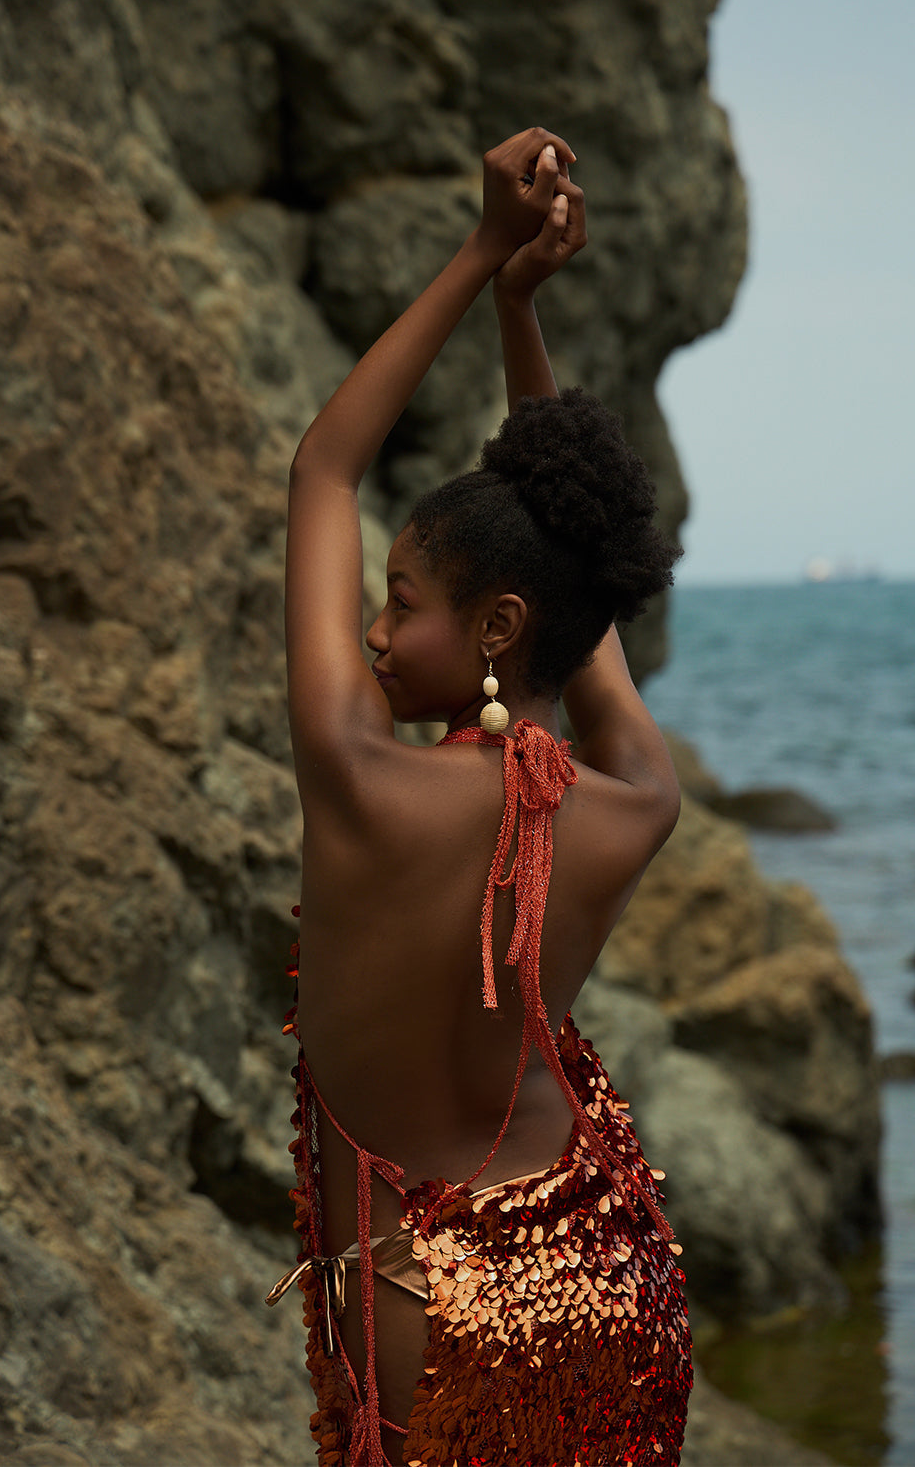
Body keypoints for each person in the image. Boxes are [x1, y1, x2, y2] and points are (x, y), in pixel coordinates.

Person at [267, 127, 692, 1466]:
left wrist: (479, 253)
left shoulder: (358, 779)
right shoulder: (637, 804)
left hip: (430, 1306)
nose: (377, 632)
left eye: (402, 603)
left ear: (499, 626)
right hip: (605, 1277)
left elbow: (324, 468)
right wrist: (523, 314)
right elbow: (578, 600)